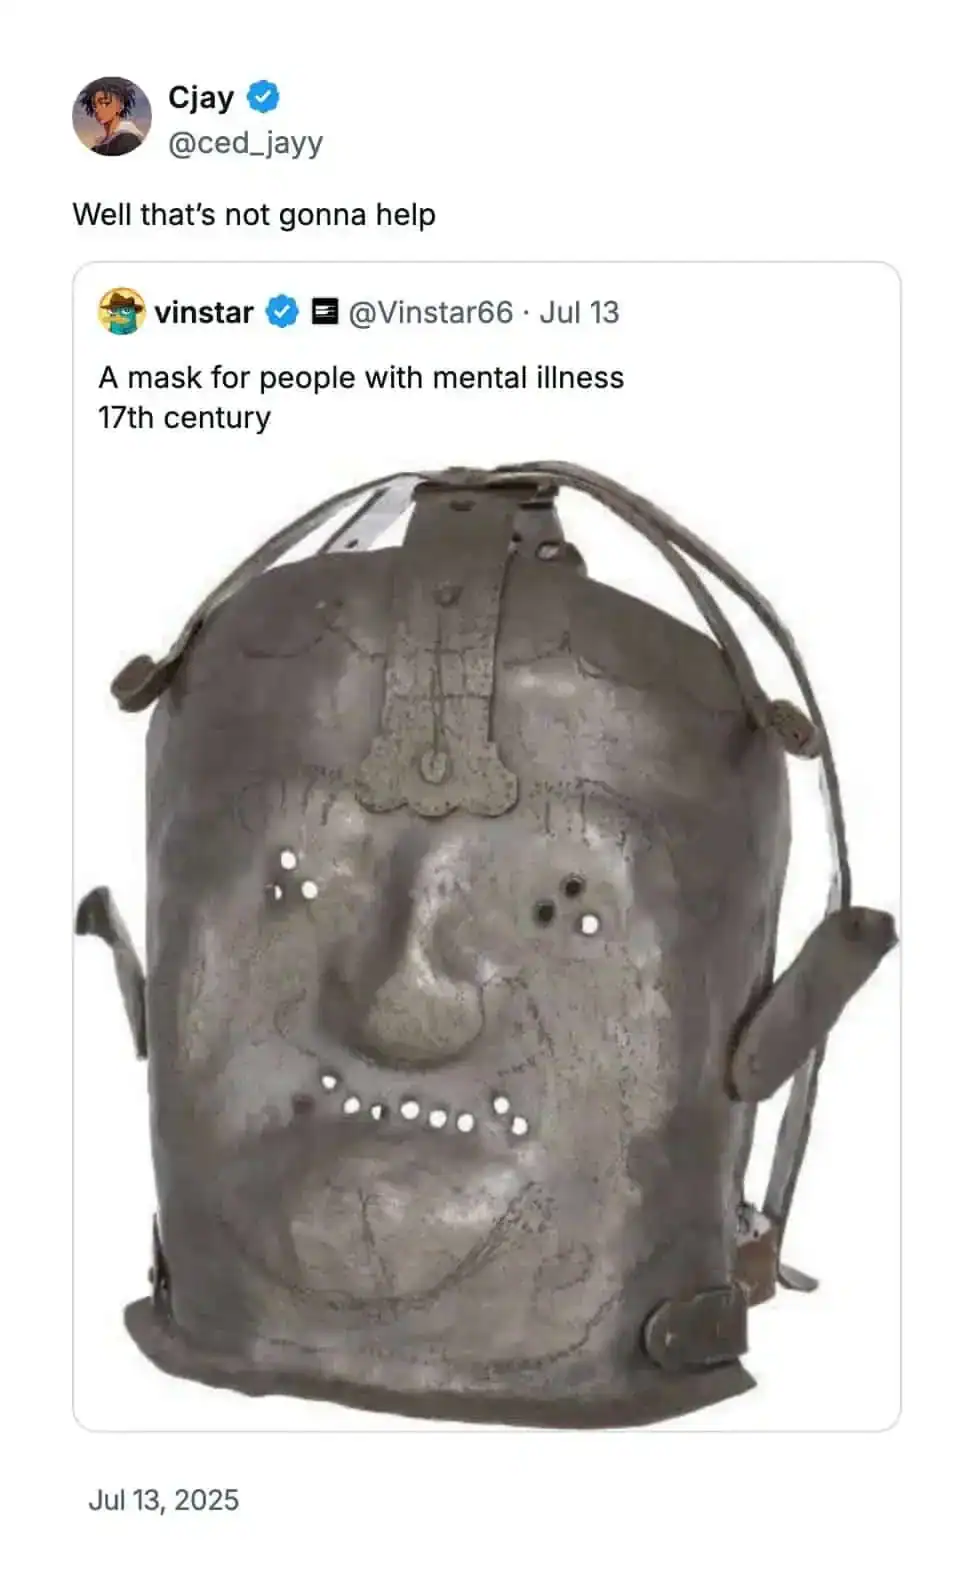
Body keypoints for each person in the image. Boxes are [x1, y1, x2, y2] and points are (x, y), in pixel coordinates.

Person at [77, 78, 144, 156]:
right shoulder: (97, 147)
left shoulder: (128, 140)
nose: (97, 110)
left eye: (105, 103)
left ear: (121, 105)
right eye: (94, 106)